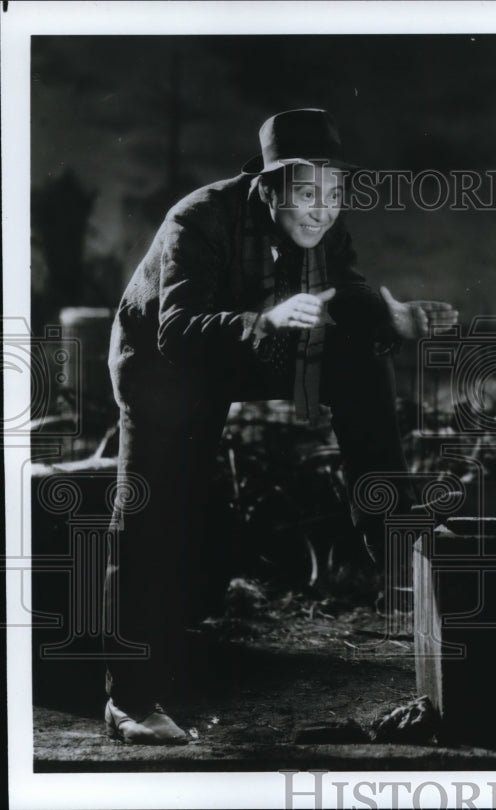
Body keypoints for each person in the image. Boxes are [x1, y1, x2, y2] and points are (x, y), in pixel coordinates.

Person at [102, 108, 457, 744]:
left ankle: (387, 517)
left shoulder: (327, 229)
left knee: (355, 345)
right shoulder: (197, 218)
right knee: (155, 515)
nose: (323, 211)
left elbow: (347, 301)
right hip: (166, 365)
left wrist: (392, 318)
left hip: (254, 345)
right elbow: (178, 332)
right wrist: (264, 321)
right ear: (268, 188)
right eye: (306, 194)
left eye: (335, 193)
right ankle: (129, 699)